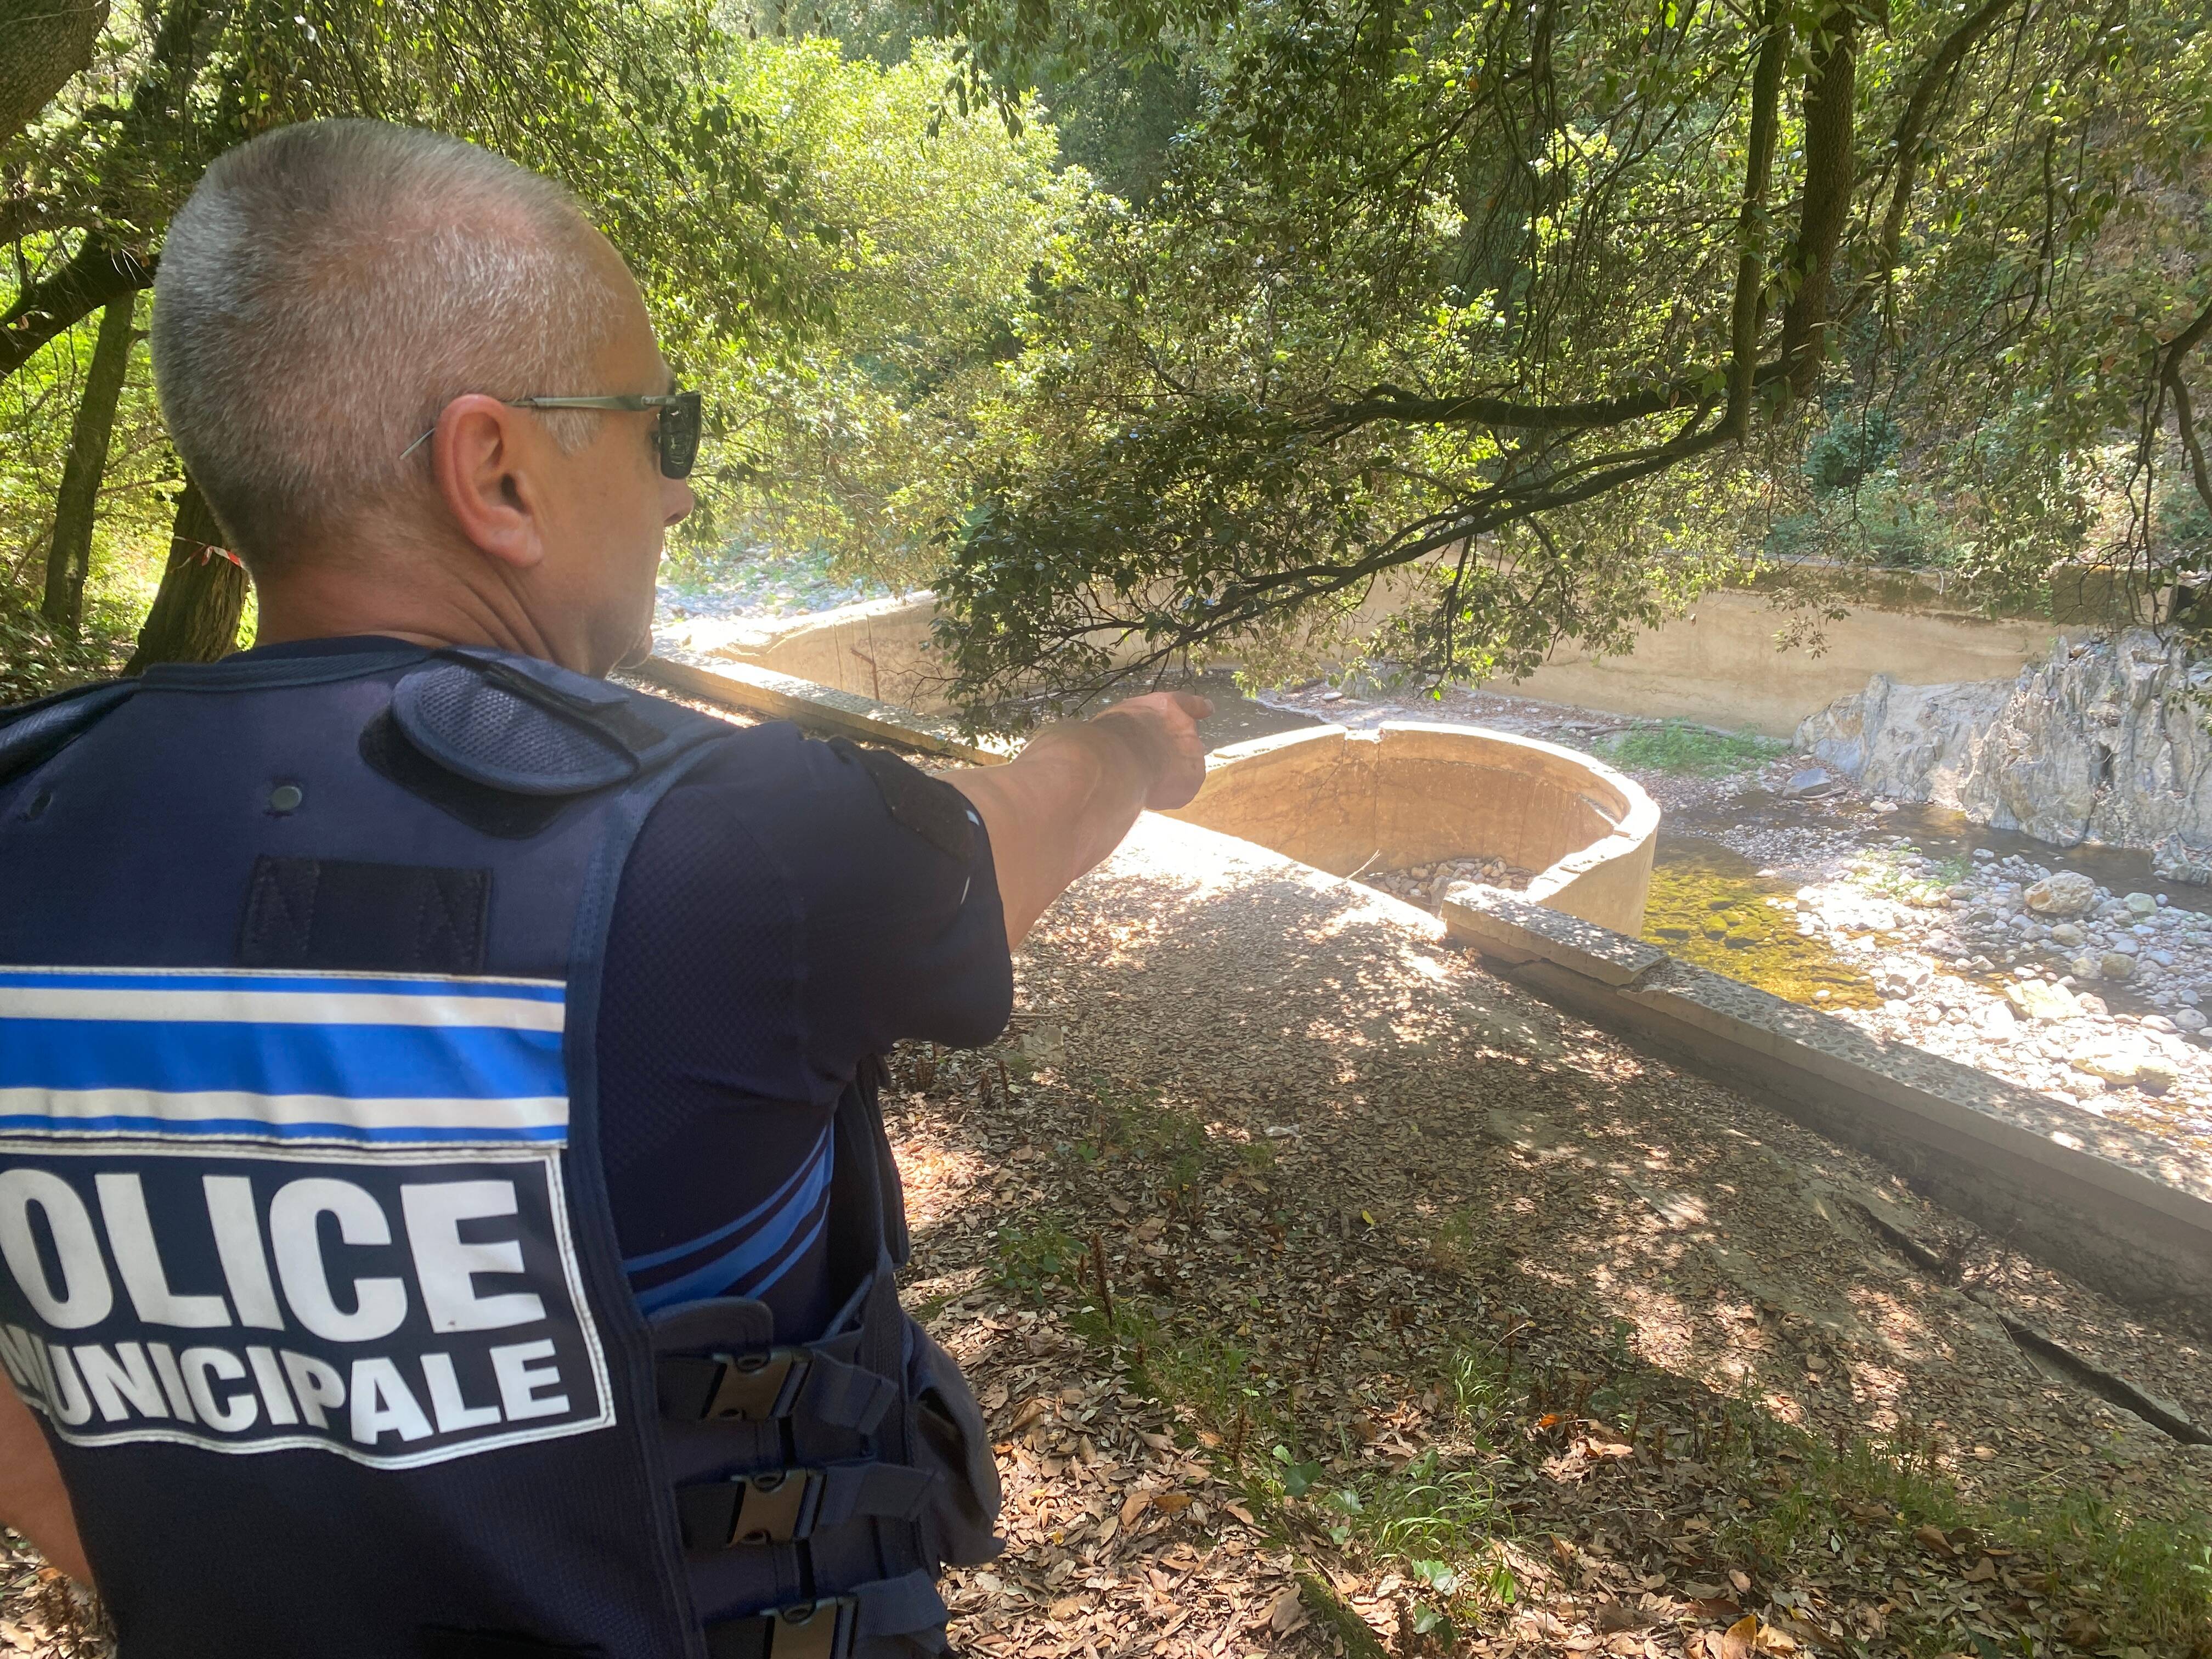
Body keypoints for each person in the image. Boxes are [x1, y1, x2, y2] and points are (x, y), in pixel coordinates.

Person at [0, 119, 1209, 1659]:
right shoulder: (747, 844)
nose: (681, 496)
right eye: (663, 428)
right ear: (495, 469)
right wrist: (1140, 747)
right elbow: (1026, 821)